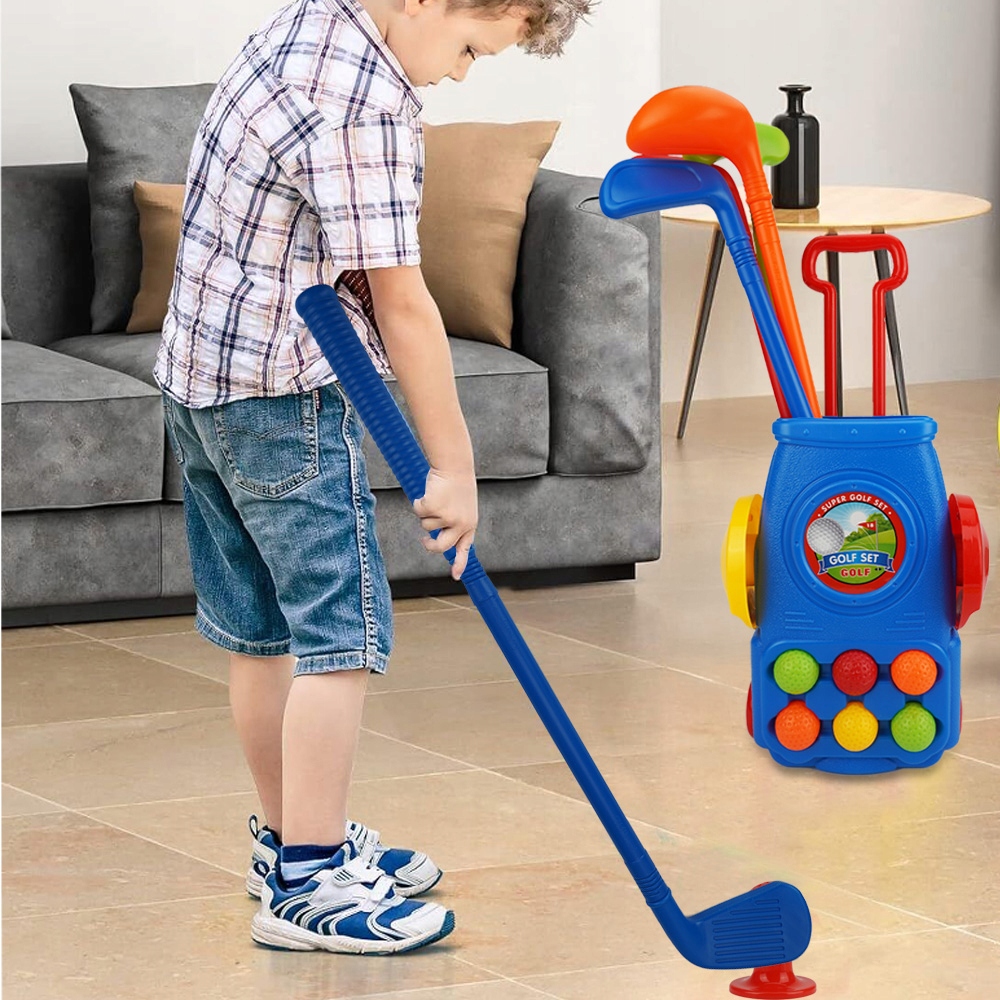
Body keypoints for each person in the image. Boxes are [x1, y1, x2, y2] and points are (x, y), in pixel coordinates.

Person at [154, 0, 591, 956]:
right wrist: (454, 466)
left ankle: (288, 841)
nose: (462, 73)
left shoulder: (308, 26)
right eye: (471, 47)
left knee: (263, 632)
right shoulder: (364, 103)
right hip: (283, 401)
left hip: (200, 387)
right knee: (338, 638)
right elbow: (402, 299)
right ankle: (310, 883)